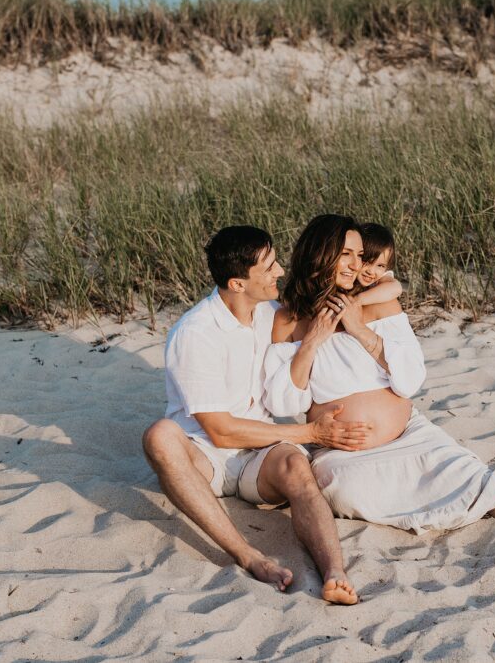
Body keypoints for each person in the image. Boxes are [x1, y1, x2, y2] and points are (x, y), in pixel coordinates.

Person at [264, 215, 495, 548]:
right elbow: (284, 403)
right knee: (349, 489)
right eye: (347, 254)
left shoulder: (379, 302)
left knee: (472, 475)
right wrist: (311, 342)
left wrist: (359, 329)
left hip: (409, 436)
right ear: (321, 254)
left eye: (360, 254)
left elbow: (410, 381)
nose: (357, 264)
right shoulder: (288, 318)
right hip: (345, 453)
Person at [141, 226, 367, 604]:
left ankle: (335, 573)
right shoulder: (195, 332)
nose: (280, 271)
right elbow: (221, 432)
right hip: (204, 454)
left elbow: (336, 300)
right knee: (159, 437)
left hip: (259, 453)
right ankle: (249, 557)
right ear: (238, 283)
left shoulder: (272, 313)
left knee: (297, 470)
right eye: (269, 267)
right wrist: (312, 433)